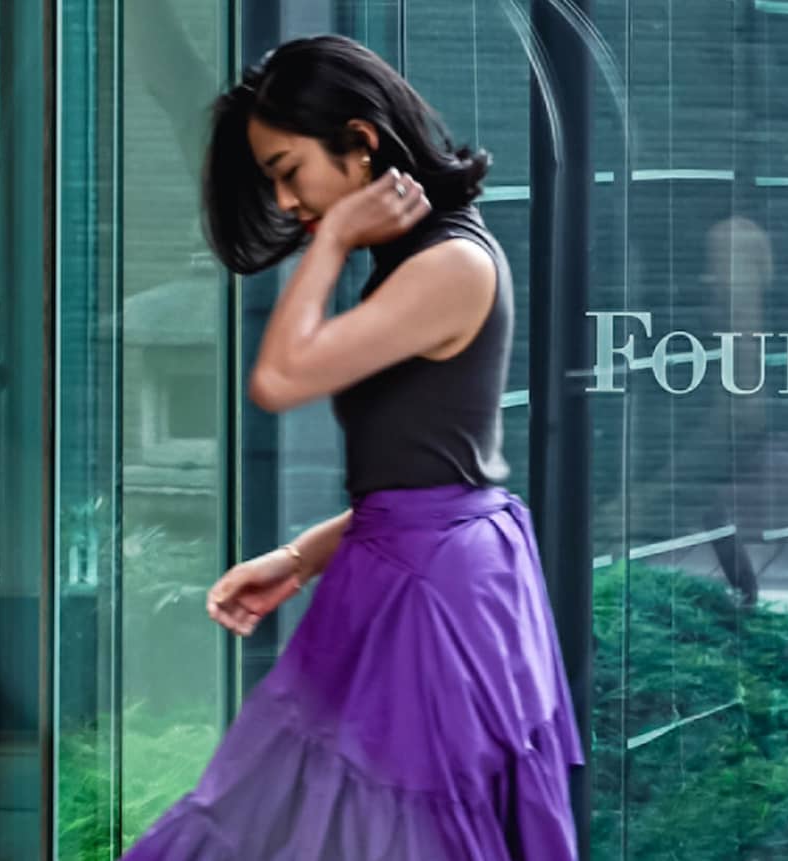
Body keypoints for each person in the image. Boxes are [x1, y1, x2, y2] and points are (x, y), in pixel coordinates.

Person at [120, 34, 584, 860]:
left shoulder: (450, 266)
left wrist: (331, 244)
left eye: (288, 170)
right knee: (302, 816)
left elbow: (283, 375)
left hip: (431, 599)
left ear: (361, 143)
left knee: (369, 829)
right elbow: (421, 480)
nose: (286, 200)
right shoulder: (424, 259)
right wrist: (299, 557)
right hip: (411, 575)